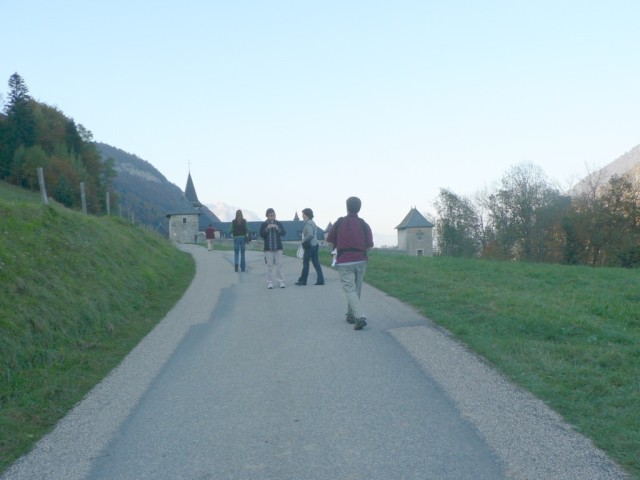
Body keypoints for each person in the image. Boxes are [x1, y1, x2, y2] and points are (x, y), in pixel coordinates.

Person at [326, 196, 374, 330]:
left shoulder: (339, 223)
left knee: (349, 289)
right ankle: (350, 314)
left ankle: (359, 317)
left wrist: (337, 247)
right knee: (356, 289)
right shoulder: (364, 224)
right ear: (359, 208)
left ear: (346, 207)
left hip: (345, 260)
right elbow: (369, 246)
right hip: (361, 260)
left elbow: (329, 242)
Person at [295, 208, 325, 286]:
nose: (302, 215)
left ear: (307, 215)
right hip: (315, 245)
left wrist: (303, 241)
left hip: (310, 246)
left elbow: (310, 234)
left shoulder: (308, 223)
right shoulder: (313, 222)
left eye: (303, 214)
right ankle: (321, 280)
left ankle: (303, 281)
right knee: (316, 263)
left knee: (306, 263)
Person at [259, 208, 286, 289]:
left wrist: (277, 228)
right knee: (269, 266)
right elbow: (261, 234)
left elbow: (283, 233)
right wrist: (267, 228)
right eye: (270, 215)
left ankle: (281, 281)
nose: (272, 217)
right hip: (268, 248)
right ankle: (270, 282)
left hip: (278, 248)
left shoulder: (278, 223)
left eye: (273, 215)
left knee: (279, 265)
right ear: (267, 216)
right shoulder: (264, 224)